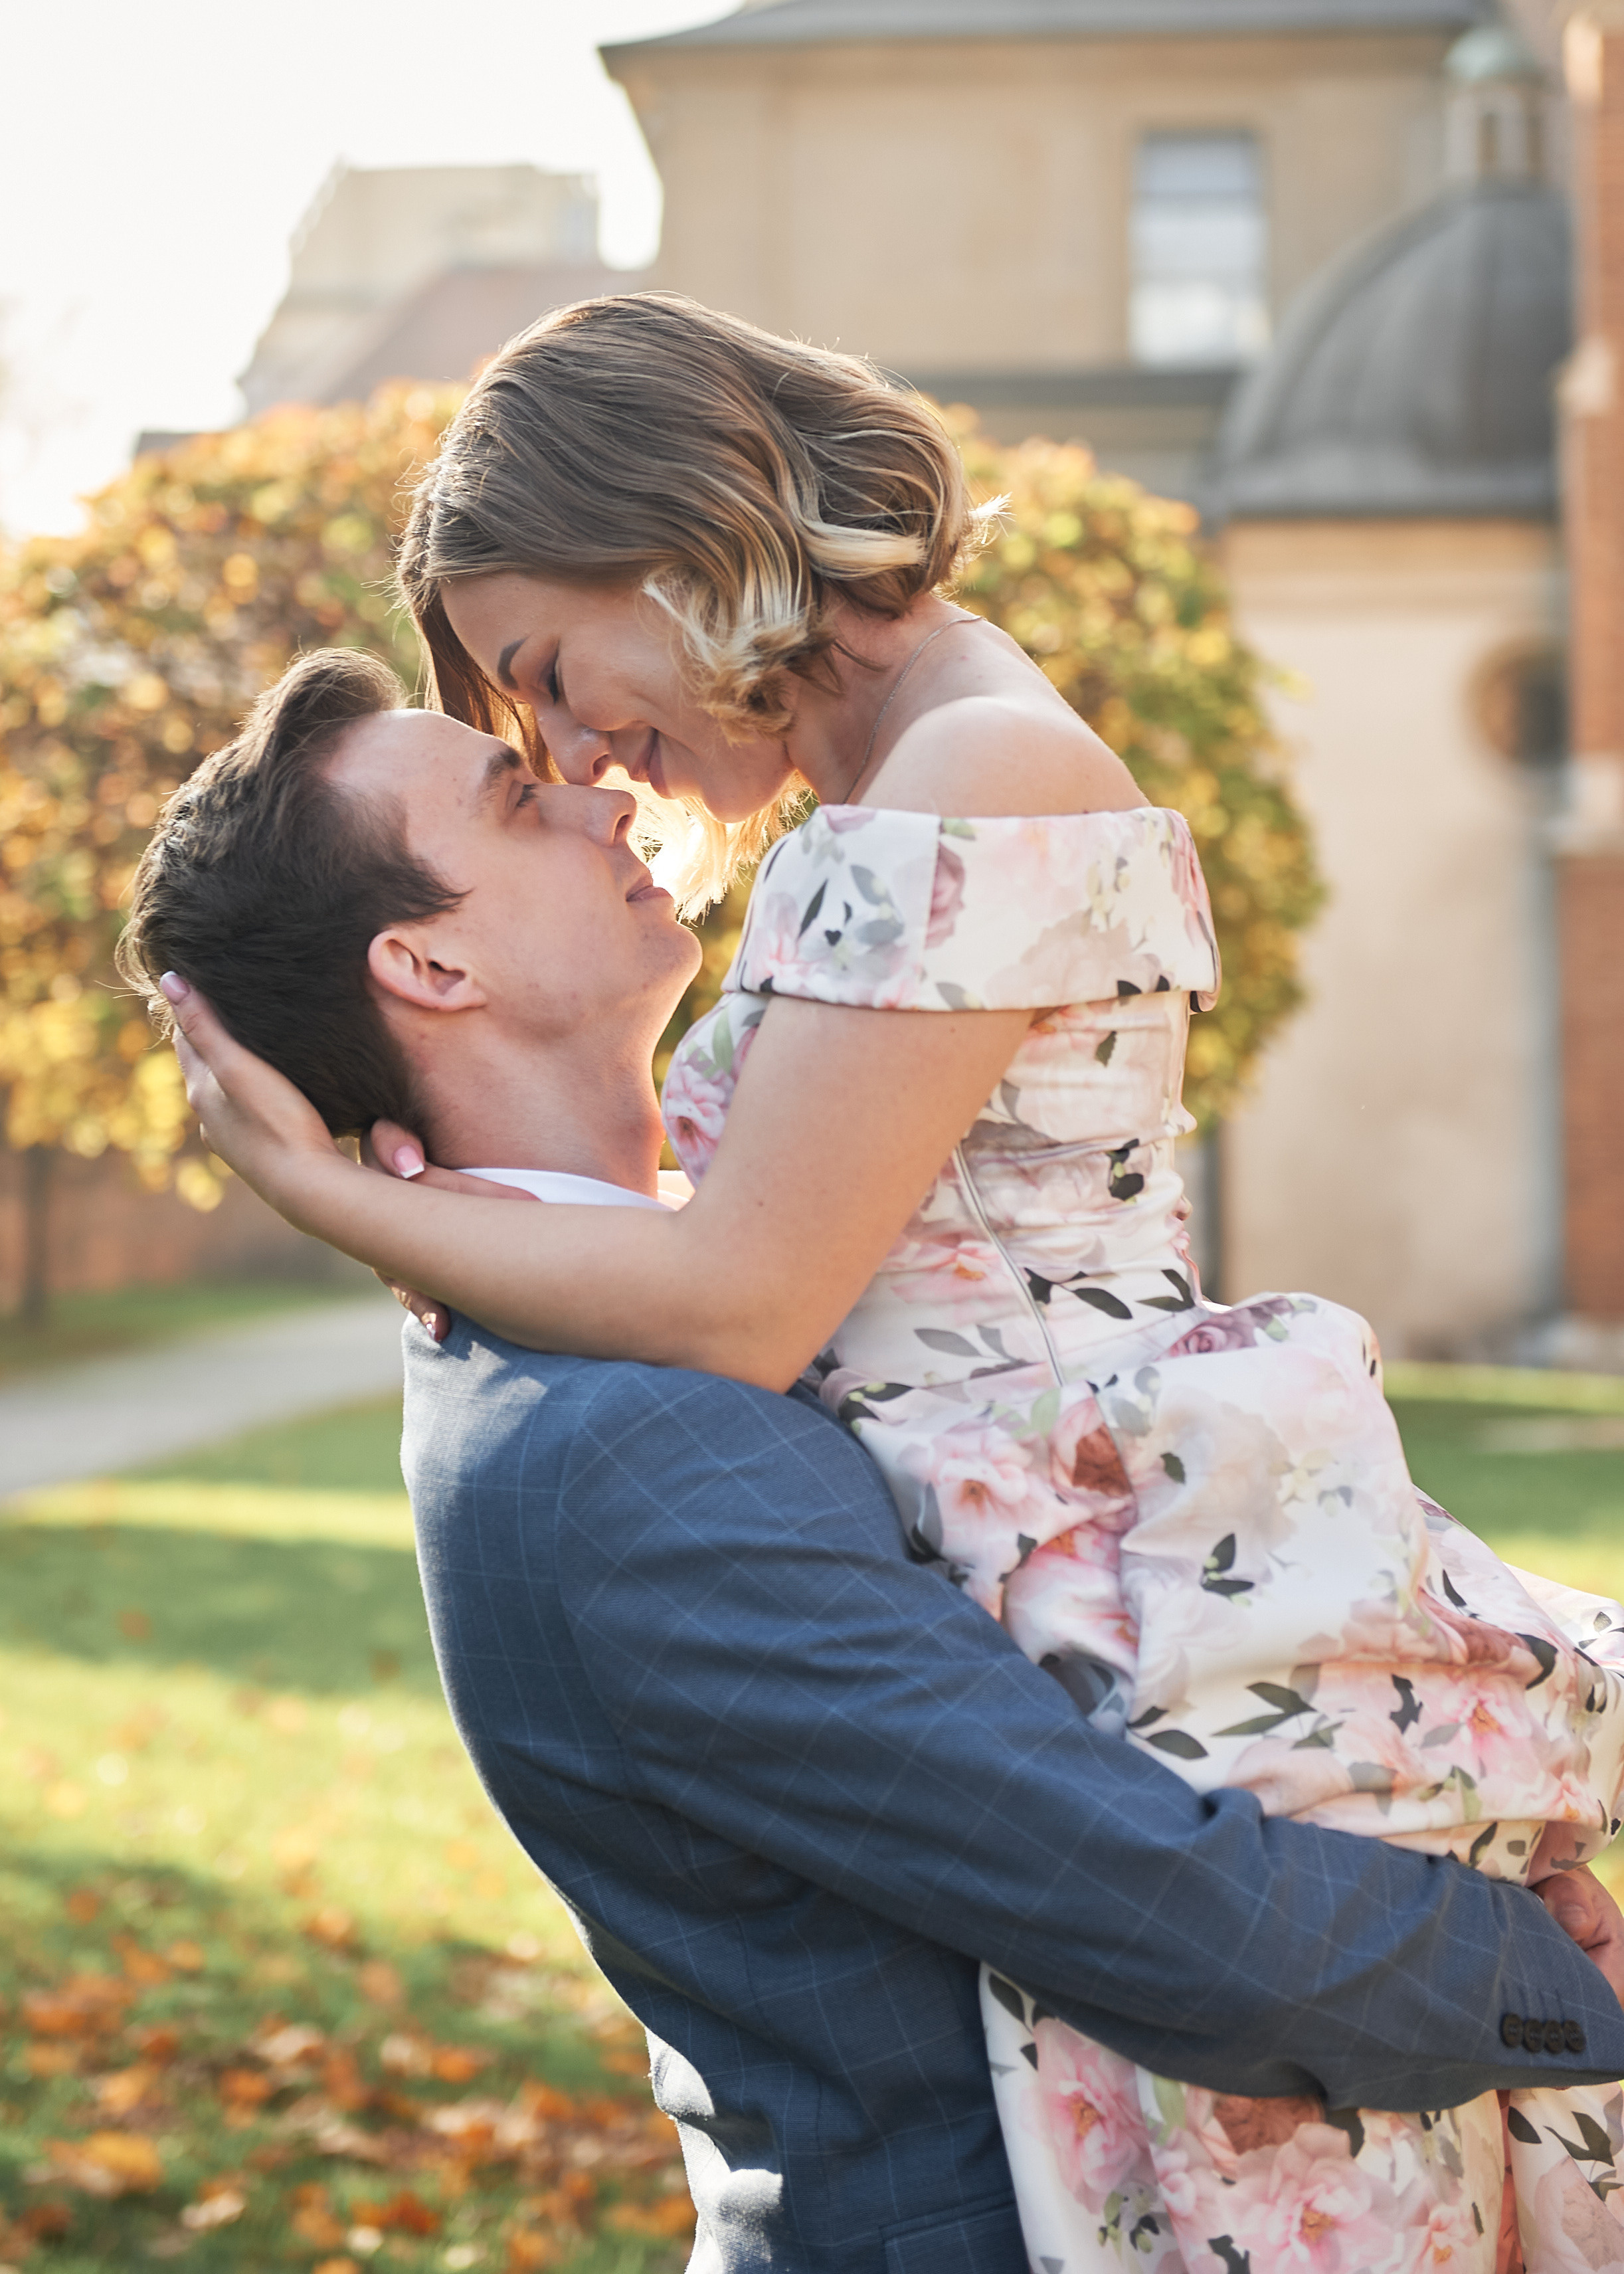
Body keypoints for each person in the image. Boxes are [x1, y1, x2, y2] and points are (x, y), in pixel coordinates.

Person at [147, 301, 1624, 2270]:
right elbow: (1146, 1902)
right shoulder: (609, 1431)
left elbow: (748, 1297)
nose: (584, 766)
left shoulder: (958, 778)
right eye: (521, 766)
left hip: (1170, 1641)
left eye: (550, 689)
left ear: (676, 529)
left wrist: (344, 1203)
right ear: (424, 971)